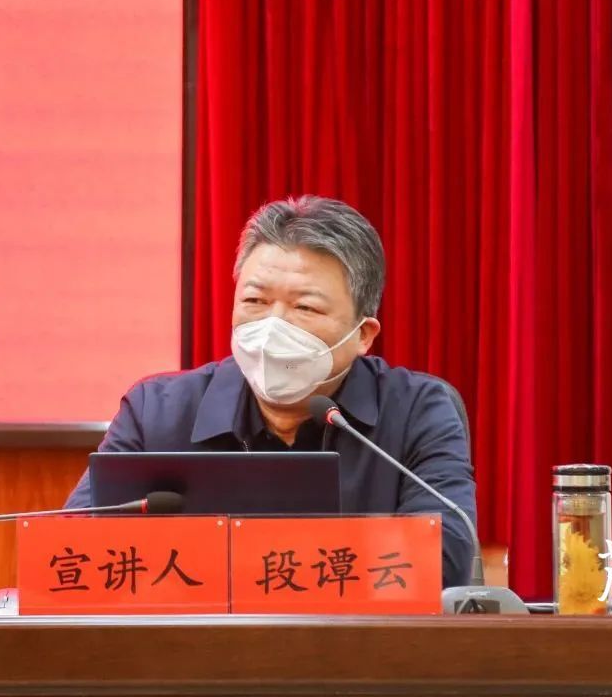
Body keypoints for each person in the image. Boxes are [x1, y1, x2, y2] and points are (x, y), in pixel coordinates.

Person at [65, 196, 477, 586]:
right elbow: (72, 554)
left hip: (356, 639)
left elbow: (441, 560)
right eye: (255, 300)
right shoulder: (156, 412)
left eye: (305, 307)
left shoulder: (418, 411)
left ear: (363, 334)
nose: (272, 326)